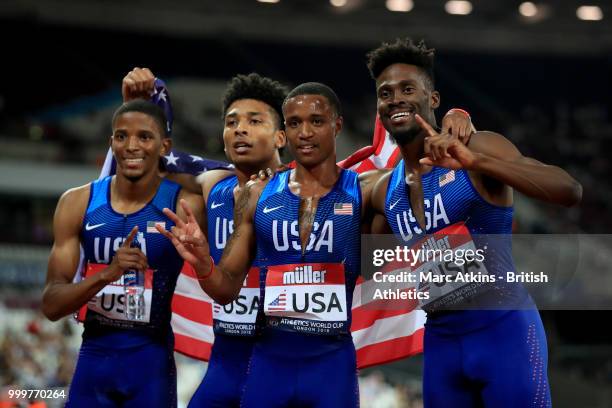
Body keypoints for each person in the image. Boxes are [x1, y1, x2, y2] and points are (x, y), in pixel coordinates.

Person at [367, 38, 582, 407]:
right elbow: (364, 263)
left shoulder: (478, 147)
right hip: (441, 345)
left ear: (433, 100)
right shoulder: (384, 190)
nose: (396, 99)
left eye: (407, 89)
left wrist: (476, 163)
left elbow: (569, 190)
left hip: (504, 333)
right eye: (386, 93)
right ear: (380, 108)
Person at [42, 100, 204, 407]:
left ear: (163, 146)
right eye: (121, 136)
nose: (131, 146)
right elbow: (51, 305)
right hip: (94, 360)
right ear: (111, 142)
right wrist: (106, 274)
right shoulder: (77, 202)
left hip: (150, 363)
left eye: (144, 137)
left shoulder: (185, 206)